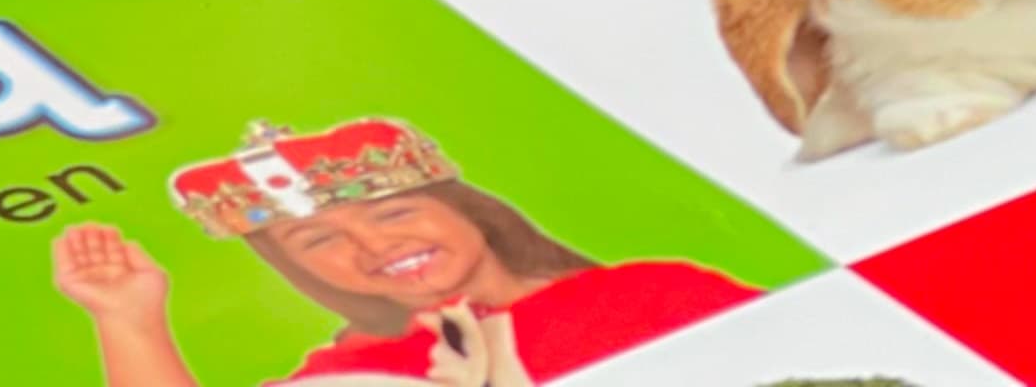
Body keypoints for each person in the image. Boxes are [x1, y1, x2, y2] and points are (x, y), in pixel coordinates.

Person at [49, 117, 757, 382]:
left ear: (464, 208)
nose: (373, 245)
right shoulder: (353, 377)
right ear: (297, 268)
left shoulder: (652, 294)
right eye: (319, 238)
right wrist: (128, 318)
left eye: (394, 211)